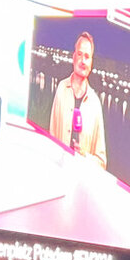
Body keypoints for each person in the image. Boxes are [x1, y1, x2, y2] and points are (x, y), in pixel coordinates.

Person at [49, 31, 108, 165]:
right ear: (74, 57)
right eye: (80, 55)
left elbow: (102, 162)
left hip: (80, 181)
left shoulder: (95, 104)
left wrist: (84, 156)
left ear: (91, 63)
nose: (82, 61)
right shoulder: (61, 89)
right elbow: (51, 137)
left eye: (87, 56)